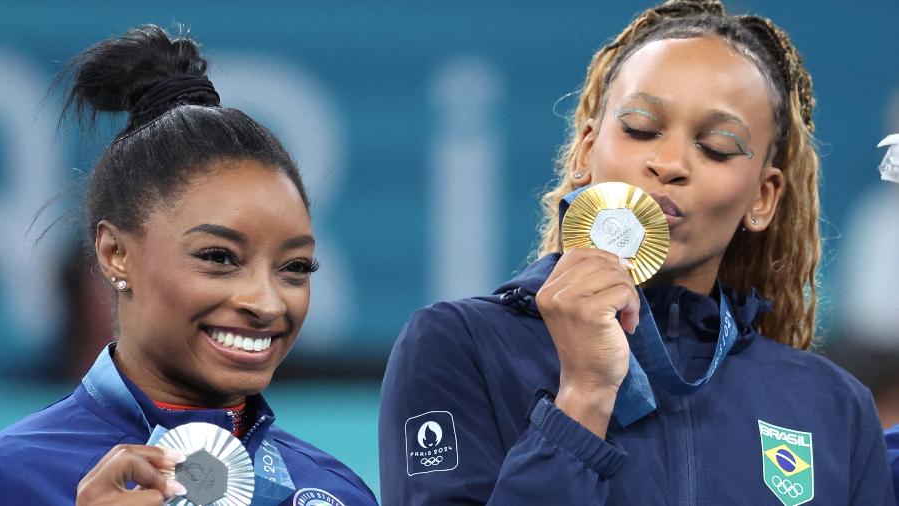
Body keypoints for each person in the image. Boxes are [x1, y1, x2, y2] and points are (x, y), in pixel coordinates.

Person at [379, 1, 894, 504]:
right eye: (641, 129)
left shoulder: (834, 408)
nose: (668, 162)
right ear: (585, 152)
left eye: (716, 146)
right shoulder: (460, 345)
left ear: (762, 198)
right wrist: (582, 395)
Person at [0, 25, 377, 506]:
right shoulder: (13, 477)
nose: (265, 302)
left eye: (296, 267)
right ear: (116, 253)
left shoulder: (336, 492)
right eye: (219, 258)